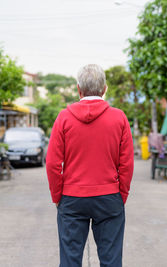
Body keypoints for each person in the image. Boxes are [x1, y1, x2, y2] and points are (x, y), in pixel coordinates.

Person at [46, 64, 134, 267]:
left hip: (72, 198)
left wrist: (58, 196)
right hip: (109, 197)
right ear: (104, 89)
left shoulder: (64, 118)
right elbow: (126, 164)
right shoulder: (119, 118)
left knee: (70, 260)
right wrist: (121, 195)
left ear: (79, 89)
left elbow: (52, 163)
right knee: (111, 261)